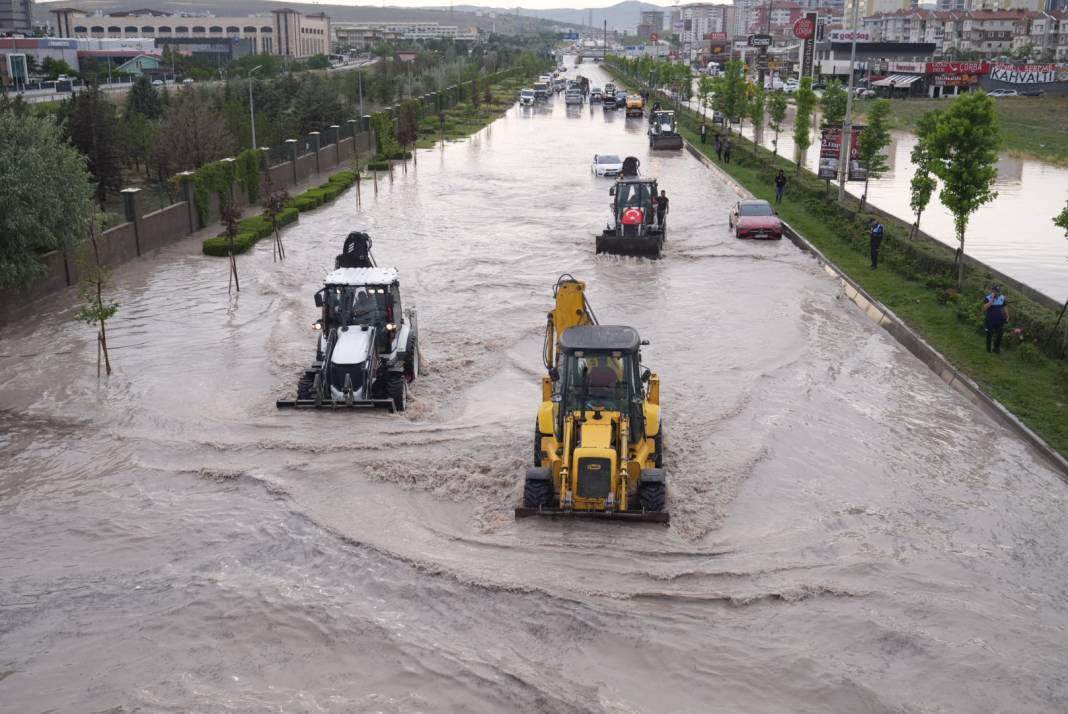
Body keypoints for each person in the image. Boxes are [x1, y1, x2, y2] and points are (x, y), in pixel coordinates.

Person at [982, 284, 1010, 354]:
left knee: (1000, 335)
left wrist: (1007, 316)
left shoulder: (1003, 298)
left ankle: (996, 348)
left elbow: (1004, 307)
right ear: (993, 291)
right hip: (990, 320)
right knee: (989, 335)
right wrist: (992, 300)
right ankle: (988, 349)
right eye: (996, 291)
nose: (997, 293)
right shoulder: (988, 298)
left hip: (999, 320)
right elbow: (984, 308)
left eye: (998, 291)